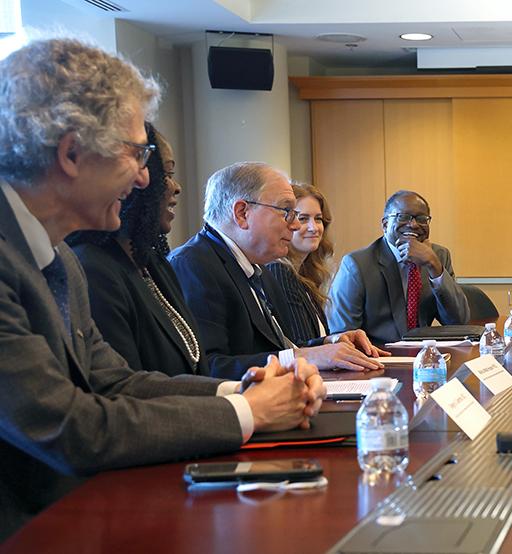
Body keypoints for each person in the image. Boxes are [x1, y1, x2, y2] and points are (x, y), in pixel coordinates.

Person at [0, 37, 324, 540]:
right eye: (137, 154)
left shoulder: (58, 257)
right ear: (71, 153)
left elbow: (117, 382)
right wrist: (248, 411)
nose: (145, 179)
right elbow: (68, 427)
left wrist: (245, 390)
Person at [170, 162, 387, 380]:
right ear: (242, 213)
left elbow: (279, 348)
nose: (295, 225)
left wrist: (329, 343)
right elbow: (208, 367)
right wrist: (304, 356)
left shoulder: (258, 270)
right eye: (286, 212)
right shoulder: (193, 265)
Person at [67, 123, 205, 376]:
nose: (176, 186)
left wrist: (237, 392)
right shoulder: (92, 268)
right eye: (165, 173)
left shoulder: (153, 262)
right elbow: (123, 386)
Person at [328, 190, 470, 344]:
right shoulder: (356, 264)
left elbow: (459, 321)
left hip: (424, 353)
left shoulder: (438, 256)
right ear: (385, 224)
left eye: (421, 219)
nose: (413, 224)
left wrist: (434, 266)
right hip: (377, 354)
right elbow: (343, 335)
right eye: (403, 217)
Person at [266, 182, 333, 345]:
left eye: (318, 219)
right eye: (303, 219)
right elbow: (301, 346)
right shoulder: (279, 271)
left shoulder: (306, 274)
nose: (314, 228)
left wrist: (338, 339)